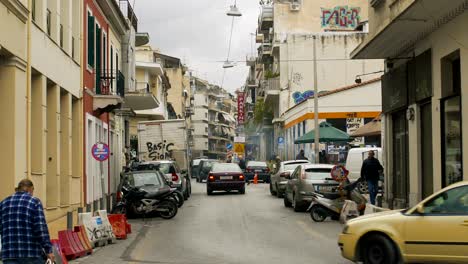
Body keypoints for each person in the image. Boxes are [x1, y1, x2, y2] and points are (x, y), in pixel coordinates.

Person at [0, 179, 54, 264]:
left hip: (9, 254)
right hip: (31, 254)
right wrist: (48, 250)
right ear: (30, 189)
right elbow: (40, 228)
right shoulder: (34, 202)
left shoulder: (3, 203)